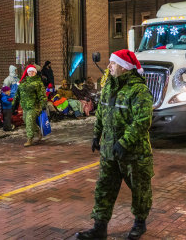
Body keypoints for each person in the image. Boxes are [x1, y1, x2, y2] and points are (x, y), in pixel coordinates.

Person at [76, 49, 153, 240]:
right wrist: (96, 135)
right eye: (110, 63)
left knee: (140, 189)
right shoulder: (109, 86)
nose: (109, 66)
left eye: (113, 63)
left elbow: (143, 120)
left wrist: (125, 142)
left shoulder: (139, 90)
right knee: (104, 188)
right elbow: (102, 113)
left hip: (134, 153)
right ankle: (99, 227)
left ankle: (139, 223)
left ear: (125, 68)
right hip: (109, 151)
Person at [14, 65, 47, 147]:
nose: (30, 73)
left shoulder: (38, 83)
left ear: (35, 73)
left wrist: (43, 104)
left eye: (32, 72)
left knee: (29, 121)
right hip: (25, 106)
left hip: (34, 106)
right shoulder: (23, 82)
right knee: (26, 120)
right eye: (29, 71)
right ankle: (38, 131)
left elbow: (42, 95)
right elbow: (17, 94)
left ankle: (30, 139)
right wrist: (14, 104)